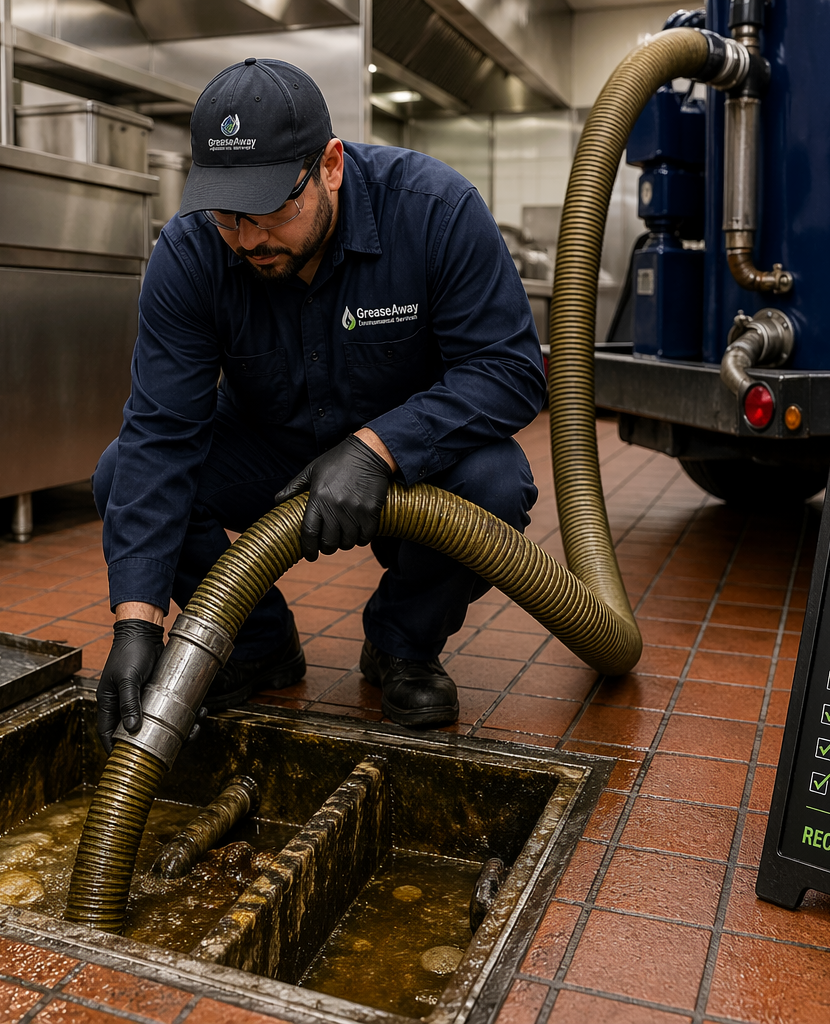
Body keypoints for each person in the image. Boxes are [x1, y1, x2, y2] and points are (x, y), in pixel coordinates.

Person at [91, 57, 544, 748]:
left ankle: (402, 645)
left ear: (329, 164)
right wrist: (135, 625)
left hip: (406, 467)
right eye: (227, 214)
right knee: (121, 469)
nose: (247, 239)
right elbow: (160, 435)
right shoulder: (190, 253)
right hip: (270, 451)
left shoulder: (434, 210)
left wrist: (380, 447)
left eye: (271, 208)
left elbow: (510, 370)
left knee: (496, 482)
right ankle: (258, 643)